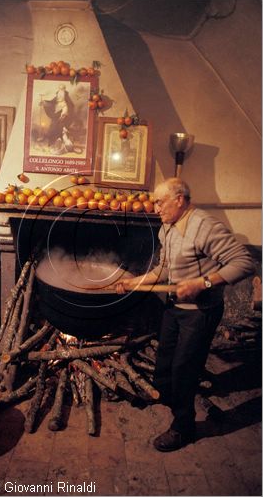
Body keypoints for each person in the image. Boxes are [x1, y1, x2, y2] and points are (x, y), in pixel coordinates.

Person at [116, 177, 255, 452]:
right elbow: (164, 270)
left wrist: (202, 283)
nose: (155, 208)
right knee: (165, 359)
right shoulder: (167, 228)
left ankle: (184, 426)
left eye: (160, 201)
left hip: (201, 312)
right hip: (174, 308)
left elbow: (244, 262)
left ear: (180, 199)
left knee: (184, 368)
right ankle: (168, 398)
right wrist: (134, 282)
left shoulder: (205, 226)